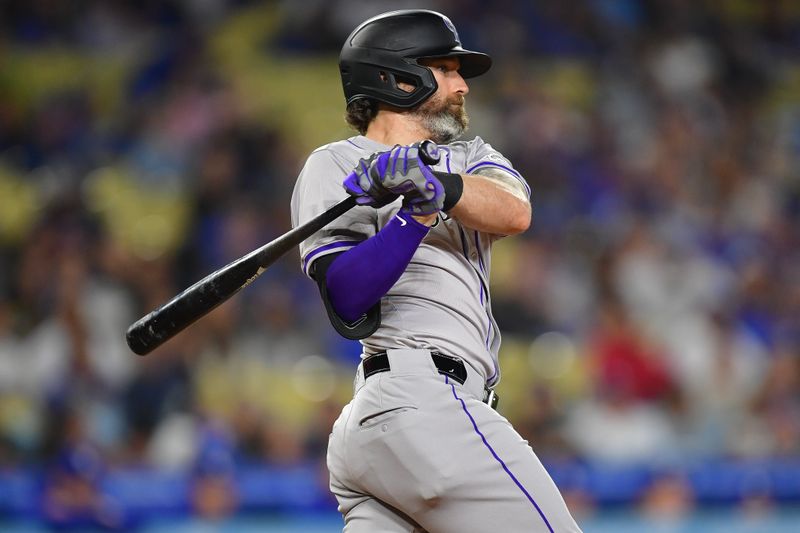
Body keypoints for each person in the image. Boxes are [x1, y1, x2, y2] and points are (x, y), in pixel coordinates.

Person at [290, 9, 582, 533]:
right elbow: (348, 300)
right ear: (398, 78)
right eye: (446, 69)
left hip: (396, 430)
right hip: (419, 402)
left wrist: (436, 186)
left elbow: (515, 211)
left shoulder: (469, 156)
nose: (462, 85)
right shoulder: (334, 165)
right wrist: (412, 217)